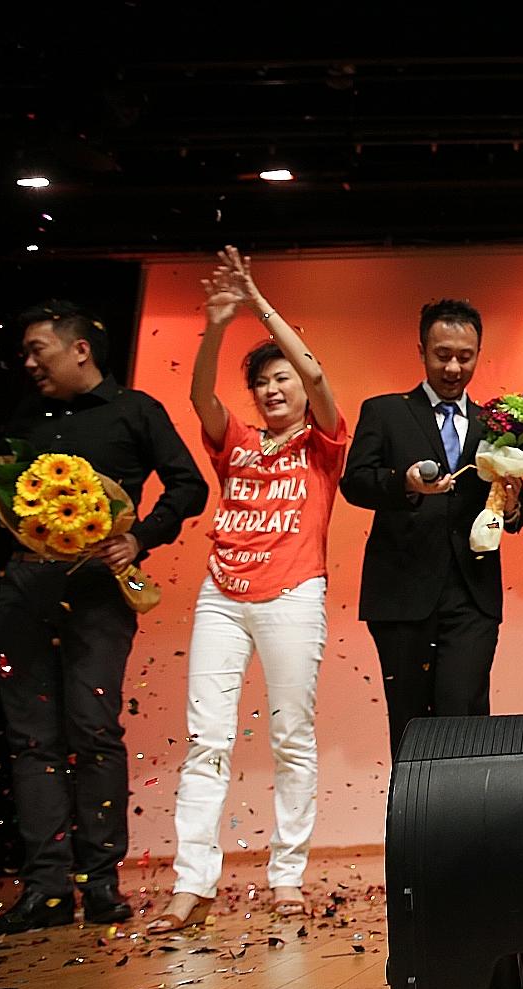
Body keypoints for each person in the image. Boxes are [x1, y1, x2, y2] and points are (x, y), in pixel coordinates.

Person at [0, 301, 207, 937]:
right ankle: (46, 887)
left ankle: (99, 884)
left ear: (80, 350)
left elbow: (189, 486)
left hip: (98, 591)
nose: (28, 362)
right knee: (30, 739)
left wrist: (140, 538)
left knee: (91, 729)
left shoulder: (135, 410)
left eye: (38, 348)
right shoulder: (22, 417)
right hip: (24, 587)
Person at [148, 247, 349, 934]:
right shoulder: (235, 442)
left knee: (292, 736)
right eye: (262, 381)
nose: (272, 390)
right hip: (222, 594)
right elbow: (201, 396)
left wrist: (259, 302)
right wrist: (215, 325)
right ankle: (192, 885)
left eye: (281, 378)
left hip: (294, 594)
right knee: (206, 738)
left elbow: (318, 371)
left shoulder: (323, 443)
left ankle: (286, 875)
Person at [340, 299, 523, 762]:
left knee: (463, 711)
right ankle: (416, 827)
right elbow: (355, 482)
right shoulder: (385, 412)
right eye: (442, 354)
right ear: (421, 350)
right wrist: (402, 483)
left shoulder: (496, 423)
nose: (453, 367)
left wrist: (516, 496)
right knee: (410, 723)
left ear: (478, 354)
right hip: (401, 593)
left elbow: (517, 516)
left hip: (472, 594)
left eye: (465, 356)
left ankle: (469, 828)